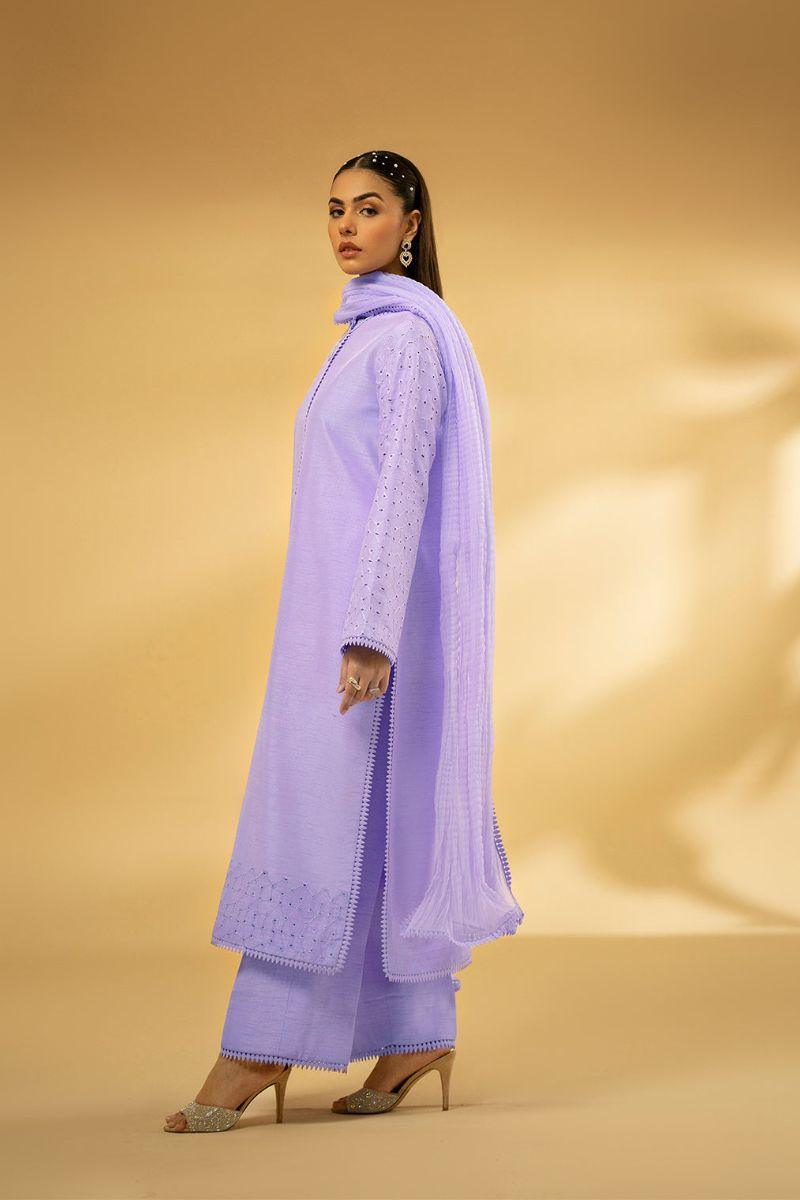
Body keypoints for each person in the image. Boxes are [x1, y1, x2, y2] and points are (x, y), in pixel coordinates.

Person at [164, 150, 524, 1132]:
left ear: (411, 224)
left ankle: (255, 1047)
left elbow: (400, 488)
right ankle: (417, 1029)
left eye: (368, 208)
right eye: (333, 209)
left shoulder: (405, 338)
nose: (345, 226)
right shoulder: (366, 334)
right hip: (329, 619)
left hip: (367, 631)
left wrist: (369, 635)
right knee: (373, 824)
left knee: (319, 822)